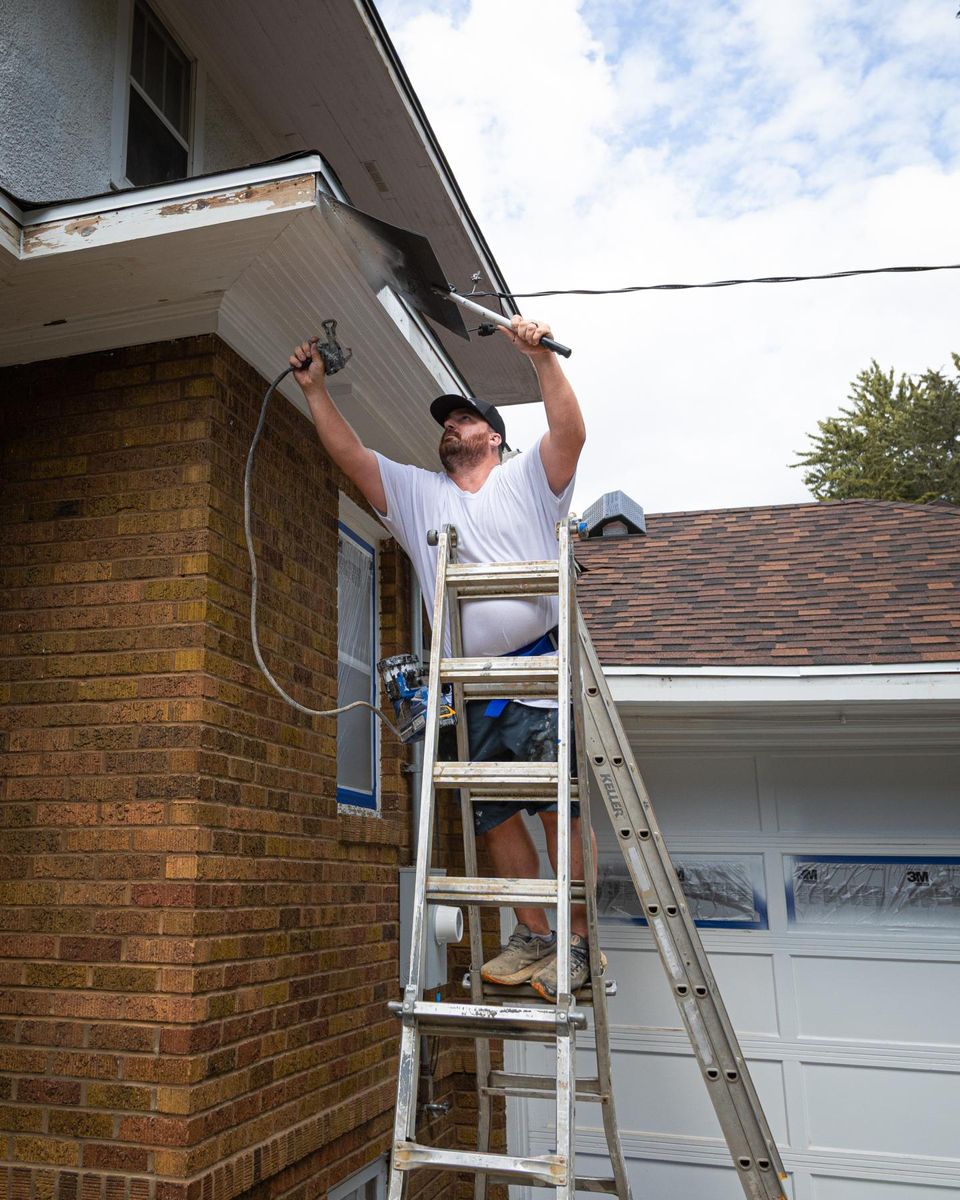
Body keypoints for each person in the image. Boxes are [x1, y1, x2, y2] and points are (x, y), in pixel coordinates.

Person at [290, 315, 602, 1001]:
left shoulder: (526, 480)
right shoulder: (419, 495)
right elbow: (352, 458)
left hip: (537, 673)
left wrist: (541, 362)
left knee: (557, 813)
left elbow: (572, 435)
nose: (451, 426)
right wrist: (316, 392)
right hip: (470, 683)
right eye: (447, 421)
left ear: (493, 436)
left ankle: (578, 943)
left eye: (464, 420)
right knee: (495, 817)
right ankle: (533, 935)